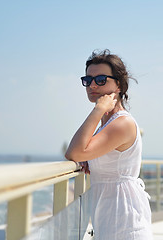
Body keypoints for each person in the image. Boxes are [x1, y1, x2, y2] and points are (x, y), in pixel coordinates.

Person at [65, 49, 153, 239]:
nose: (92, 85)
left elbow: (73, 152)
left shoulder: (122, 123)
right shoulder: (107, 124)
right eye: (88, 80)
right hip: (111, 219)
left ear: (119, 84)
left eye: (101, 79)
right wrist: (91, 160)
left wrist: (98, 110)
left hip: (124, 223)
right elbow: (82, 153)